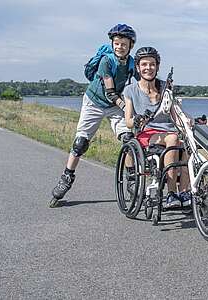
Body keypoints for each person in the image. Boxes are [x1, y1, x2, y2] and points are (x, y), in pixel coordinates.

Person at [50, 24, 138, 207]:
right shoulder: (107, 60)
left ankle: (131, 178)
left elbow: (143, 83)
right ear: (112, 44)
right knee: (80, 143)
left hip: (114, 106)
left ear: (131, 45)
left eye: (123, 44)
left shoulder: (131, 63)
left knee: (129, 140)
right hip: (95, 102)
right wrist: (127, 107)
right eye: (116, 43)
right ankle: (67, 176)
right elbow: (110, 92)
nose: (119, 47)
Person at [122, 47, 192, 209]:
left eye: (152, 64)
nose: (148, 68)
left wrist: (187, 123)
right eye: (144, 64)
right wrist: (137, 119)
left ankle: (184, 192)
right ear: (138, 68)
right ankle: (171, 193)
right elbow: (128, 122)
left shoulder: (165, 87)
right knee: (174, 138)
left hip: (169, 132)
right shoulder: (130, 90)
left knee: (186, 143)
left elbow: (174, 113)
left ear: (157, 67)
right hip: (147, 133)